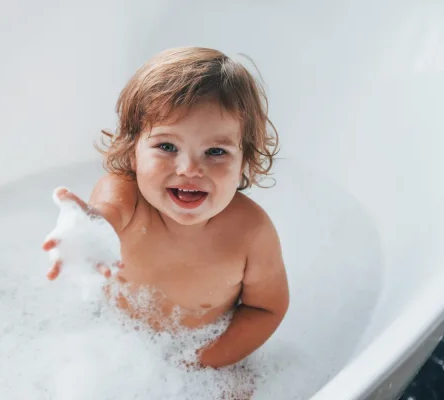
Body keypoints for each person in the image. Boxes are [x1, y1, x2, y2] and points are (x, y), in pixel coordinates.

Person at [42, 46, 289, 369]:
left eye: (216, 151)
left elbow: (266, 309)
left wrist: (201, 363)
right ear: (132, 151)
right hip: (113, 342)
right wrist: (84, 230)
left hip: (205, 351)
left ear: (244, 161)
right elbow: (105, 216)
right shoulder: (126, 196)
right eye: (167, 146)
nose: (189, 169)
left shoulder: (250, 232)